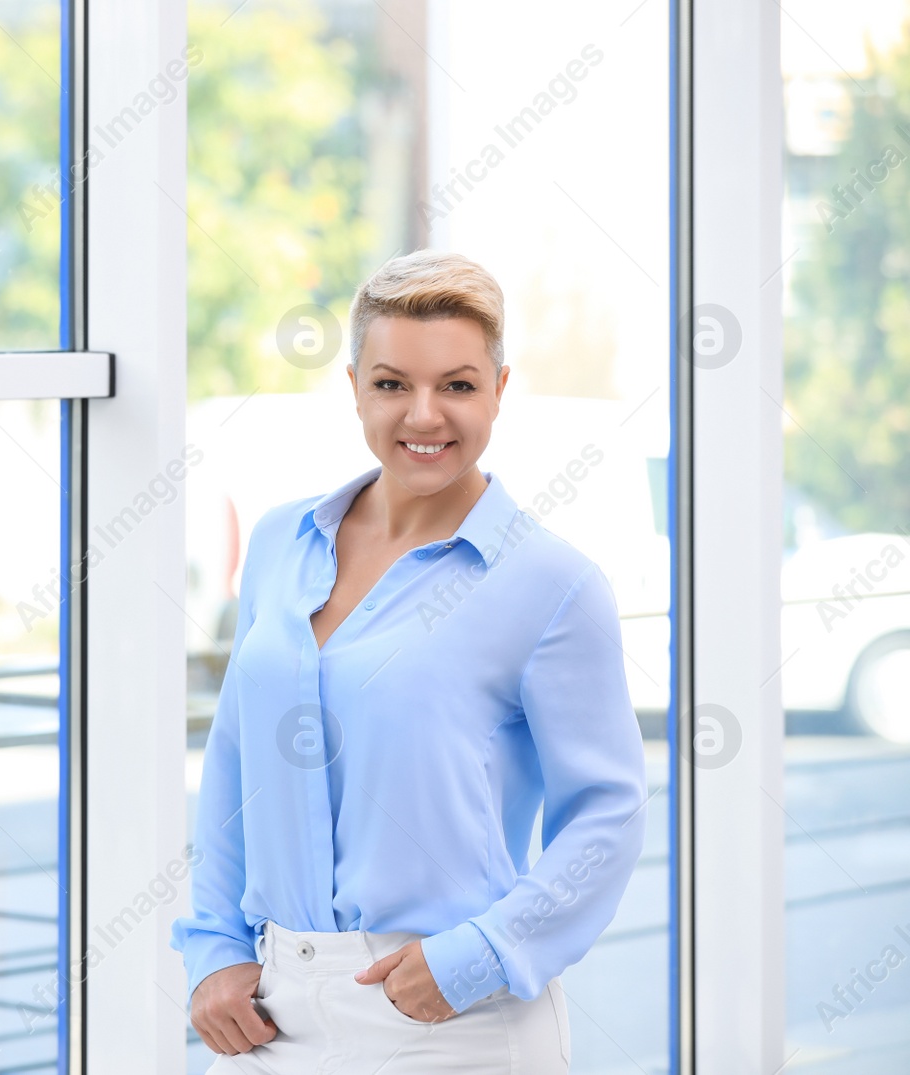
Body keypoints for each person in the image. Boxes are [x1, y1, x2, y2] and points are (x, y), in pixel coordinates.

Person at [170, 249, 648, 1073]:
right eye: (393, 384)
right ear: (354, 385)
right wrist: (214, 946)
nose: (424, 415)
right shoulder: (286, 539)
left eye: (457, 385)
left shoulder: (552, 583)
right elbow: (237, 755)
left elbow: (607, 815)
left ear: (500, 389)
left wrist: (483, 954)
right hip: (268, 1014)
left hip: (450, 1018)